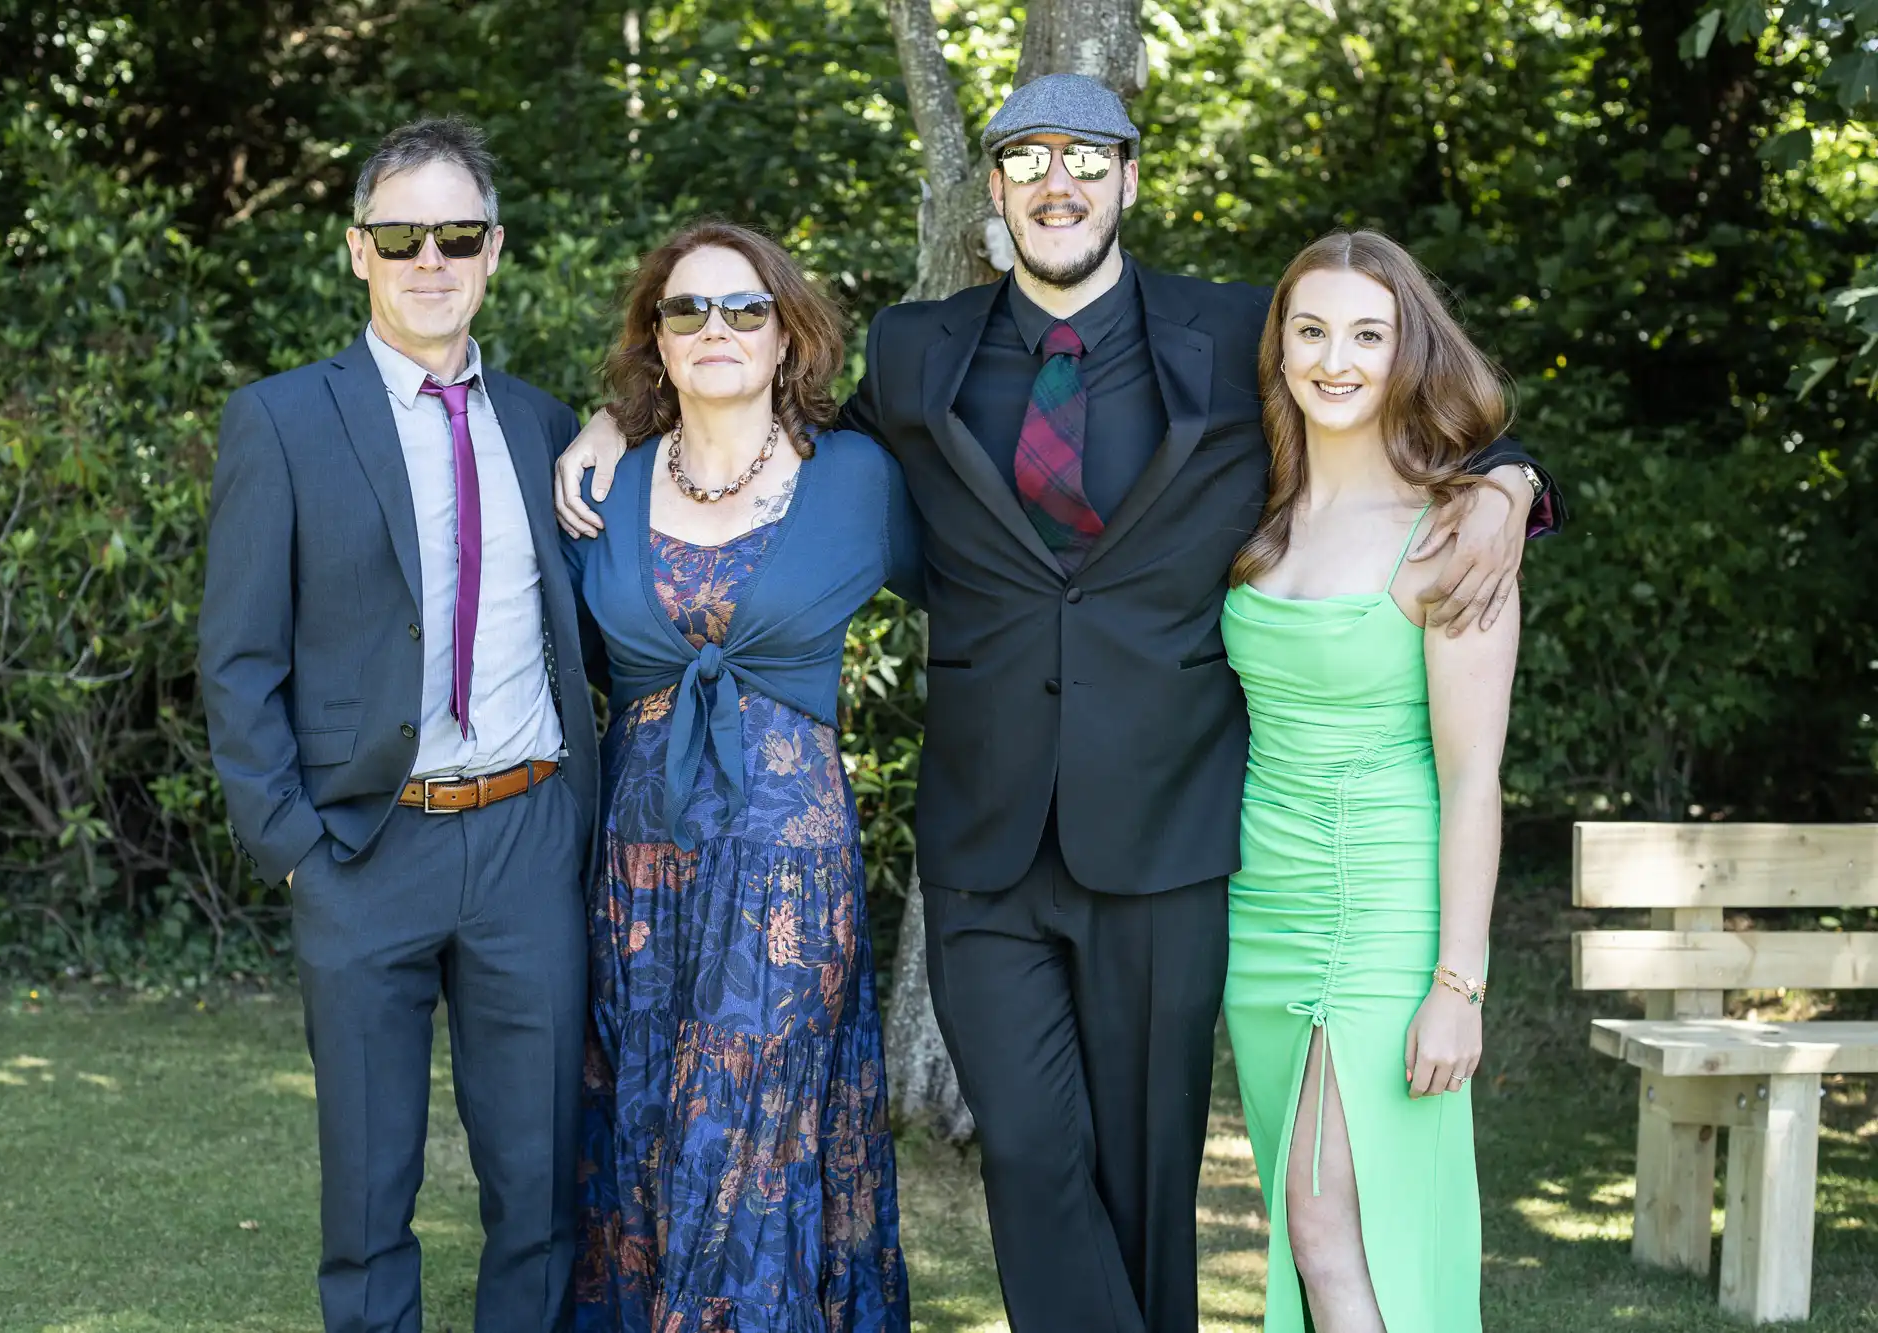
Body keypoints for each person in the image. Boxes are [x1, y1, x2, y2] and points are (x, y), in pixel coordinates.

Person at [555, 76, 1561, 1333]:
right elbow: (769, 425)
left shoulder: (1238, 337)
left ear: (1128, 179)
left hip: (1169, 841)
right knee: (1028, 1159)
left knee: (1145, 1188)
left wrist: (1512, 481)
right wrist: (615, 418)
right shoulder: (920, 355)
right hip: (985, 846)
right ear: (995, 192)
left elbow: (1394, 399)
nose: (1057, 182)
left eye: (1086, 156)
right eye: (1027, 159)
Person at [199, 117, 598, 1332]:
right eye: (401, 233)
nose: (431, 258)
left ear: (494, 251)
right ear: (358, 252)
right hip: (363, 849)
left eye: (457, 233)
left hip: (527, 840)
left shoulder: (543, 424)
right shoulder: (280, 421)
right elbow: (237, 659)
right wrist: (295, 851)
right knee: (369, 1201)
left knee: (538, 1186)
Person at [564, 219, 915, 1331]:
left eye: (743, 309)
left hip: (785, 883)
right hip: (637, 880)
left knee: (751, 1145)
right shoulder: (597, 488)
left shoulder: (857, 479)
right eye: (685, 310)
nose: (714, 328)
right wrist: (600, 424)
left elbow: (997, 597)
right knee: (649, 1128)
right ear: (655, 342)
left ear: (785, 337)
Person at [1221, 230, 1516, 1332]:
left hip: (1386, 919)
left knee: (1332, 1230)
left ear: (1407, 352)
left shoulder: (1457, 534)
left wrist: (1458, 983)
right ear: (1279, 350)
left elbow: (1473, 778)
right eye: (1309, 331)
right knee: (1307, 1238)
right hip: (1262, 918)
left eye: (1365, 333)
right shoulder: (1255, 514)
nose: (1332, 359)